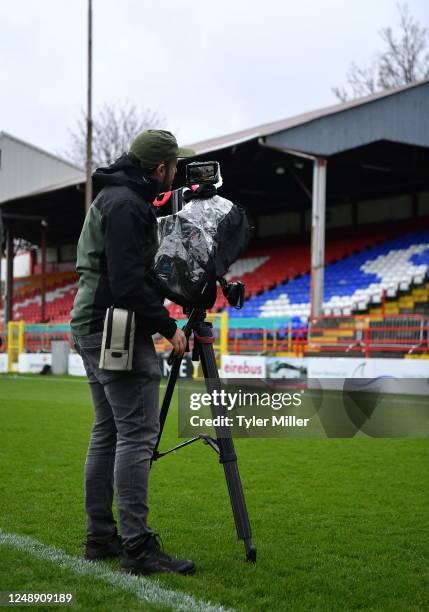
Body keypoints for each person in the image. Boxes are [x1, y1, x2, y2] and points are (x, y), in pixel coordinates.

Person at [70, 130, 195, 575]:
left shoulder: (116, 196)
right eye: (174, 166)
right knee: (137, 434)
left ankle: (101, 537)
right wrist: (167, 325)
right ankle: (137, 547)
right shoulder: (128, 204)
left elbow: (131, 273)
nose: (176, 173)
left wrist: (176, 297)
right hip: (113, 328)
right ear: (159, 168)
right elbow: (126, 282)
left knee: (108, 430)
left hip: (91, 321)